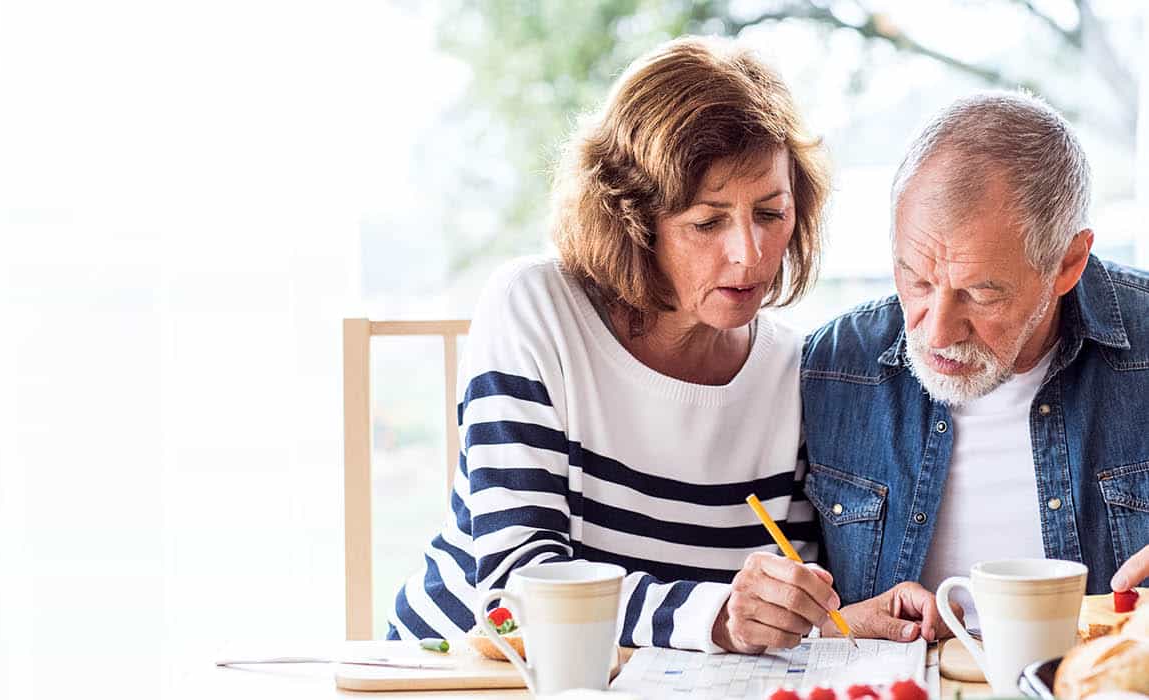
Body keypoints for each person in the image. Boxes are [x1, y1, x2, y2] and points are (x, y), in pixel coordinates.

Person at [389, 36, 949, 654]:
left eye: (771, 213)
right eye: (707, 222)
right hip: (453, 672)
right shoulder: (537, 310)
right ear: (632, 219)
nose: (750, 254)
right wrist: (717, 617)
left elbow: (756, 611)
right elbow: (515, 595)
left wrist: (833, 619)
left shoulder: (792, 371)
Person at [801, 90, 1149, 612]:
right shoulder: (831, 366)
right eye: (916, 280)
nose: (937, 333)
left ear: (1068, 264)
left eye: (980, 293)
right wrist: (826, 619)